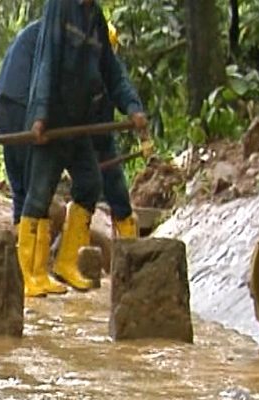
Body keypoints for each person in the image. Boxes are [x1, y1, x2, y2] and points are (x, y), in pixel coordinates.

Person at [20, 0, 147, 295]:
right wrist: (40, 113)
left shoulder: (96, 19)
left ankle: (66, 262)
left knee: (89, 183)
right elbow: (47, 58)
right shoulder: (60, 6)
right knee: (40, 193)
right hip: (54, 120)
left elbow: (111, 71)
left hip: (79, 123)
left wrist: (132, 107)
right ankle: (29, 273)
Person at [0, 20, 66, 296]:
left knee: (22, 187)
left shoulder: (42, 29)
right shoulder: (61, 35)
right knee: (36, 186)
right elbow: (54, 84)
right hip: (23, 103)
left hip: (4, 102)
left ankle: (25, 273)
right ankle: (32, 274)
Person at [92, 23, 150, 239]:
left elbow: (121, 86)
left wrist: (134, 109)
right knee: (88, 192)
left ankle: (129, 245)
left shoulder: (111, 68)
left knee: (116, 191)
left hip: (103, 140)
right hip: (77, 141)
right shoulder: (73, 64)